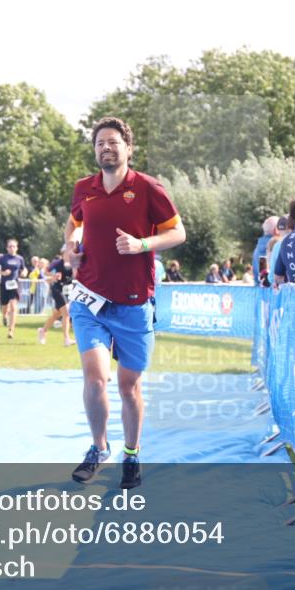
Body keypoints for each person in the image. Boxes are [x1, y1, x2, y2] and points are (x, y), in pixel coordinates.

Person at [64, 116, 185, 489]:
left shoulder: (148, 187)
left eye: (113, 142)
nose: (106, 147)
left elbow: (177, 232)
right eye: (100, 142)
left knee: (129, 386)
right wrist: (70, 249)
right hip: (89, 300)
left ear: (128, 149)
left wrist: (141, 244)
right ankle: (99, 448)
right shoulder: (84, 188)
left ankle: (131, 453)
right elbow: (73, 225)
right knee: (95, 379)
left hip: (134, 304)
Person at [38, 247, 76, 347]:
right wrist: (53, 275)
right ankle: (66, 339)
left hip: (67, 291)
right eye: (67, 252)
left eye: (71, 251)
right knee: (66, 313)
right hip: (57, 289)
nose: (69, 253)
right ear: (63, 253)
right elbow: (45, 271)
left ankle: (43, 330)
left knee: (56, 314)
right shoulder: (57, 262)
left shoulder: (74, 263)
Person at [0, 238, 27, 339]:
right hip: (4, 285)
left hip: (14, 285)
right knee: (4, 307)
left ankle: (11, 330)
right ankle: (4, 316)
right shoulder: (2, 258)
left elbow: (24, 269)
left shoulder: (20, 259)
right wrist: (2, 273)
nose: (12, 248)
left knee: (13, 307)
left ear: (17, 248)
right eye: (10, 246)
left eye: (14, 246)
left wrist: (24, 273)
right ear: (7, 248)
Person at [252, 216, 278, 286]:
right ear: (276, 230)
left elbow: (256, 274)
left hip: (260, 289)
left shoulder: (256, 250)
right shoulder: (277, 246)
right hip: (275, 289)